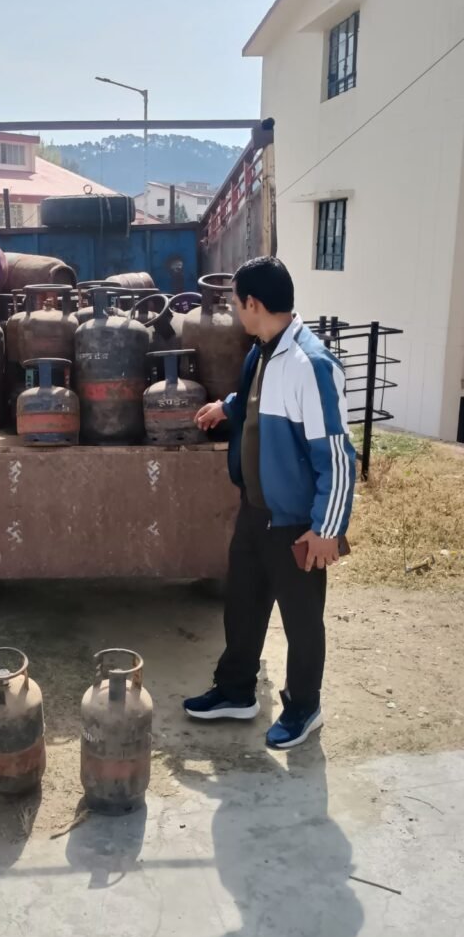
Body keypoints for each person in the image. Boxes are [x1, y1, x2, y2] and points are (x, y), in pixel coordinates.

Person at [183, 257, 356, 750]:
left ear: (253, 303)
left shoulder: (311, 364)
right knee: (242, 604)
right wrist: (226, 407)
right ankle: (236, 691)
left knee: (302, 622)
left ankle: (304, 706)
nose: (235, 311)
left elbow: (337, 455)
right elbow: (257, 400)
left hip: (296, 522)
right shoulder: (262, 352)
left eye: (237, 303)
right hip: (255, 509)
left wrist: (327, 529)